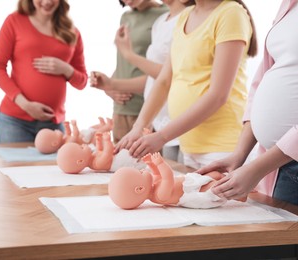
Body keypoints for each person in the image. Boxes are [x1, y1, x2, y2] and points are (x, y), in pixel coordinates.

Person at [196, 0, 298, 259]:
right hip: (279, 167)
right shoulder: (289, 4)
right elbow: (261, 80)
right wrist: (241, 155)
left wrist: (257, 168)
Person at [112, 0, 258, 169]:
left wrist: (162, 136)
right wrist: (139, 127)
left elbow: (218, 96)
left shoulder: (231, 13)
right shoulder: (184, 17)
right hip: (189, 147)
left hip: (223, 148)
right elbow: (164, 81)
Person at [90, 0, 194, 163]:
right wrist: (110, 84)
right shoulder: (160, 22)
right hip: (158, 117)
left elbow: (168, 76)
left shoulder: (188, 17)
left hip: (177, 118)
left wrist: (128, 57)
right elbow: (160, 79)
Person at [0, 0, 88, 144]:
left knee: (53, 167)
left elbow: (82, 82)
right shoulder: (15, 21)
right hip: (15, 122)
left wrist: (66, 69)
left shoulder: (72, 32)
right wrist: (26, 105)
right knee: (14, 167)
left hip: (54, 124)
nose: (47, 2)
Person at [101, 0, 169, 144]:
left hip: (146, 106)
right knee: (116, 162)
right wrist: (110, 88)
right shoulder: (125, 17)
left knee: (150, 163)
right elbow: (123, 59)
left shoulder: (166, 15)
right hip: (121, 108)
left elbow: (164, 70)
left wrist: (114, 84)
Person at [108, 152, 245, 210]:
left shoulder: (153, 185)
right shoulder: (159, 196)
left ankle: (233, 183)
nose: (143, 171)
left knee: (215, 174)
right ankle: (242, 195)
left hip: (190, 183)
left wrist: (152, 164)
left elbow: (157, 174)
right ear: (140, 189)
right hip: (193, 193)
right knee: (217, 187)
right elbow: (167, 177)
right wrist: (160, 163)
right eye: (140, 173)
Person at [57, 131, 146, 174]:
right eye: (81, 148)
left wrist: (98, 140)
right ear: (80, 161)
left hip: (119, 156)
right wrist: (107, 141)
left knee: (132, 148)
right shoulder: (96, 165)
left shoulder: (93, 157)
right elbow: (107, 154)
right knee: (135, 154)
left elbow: (100, 150)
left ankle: (145, 138)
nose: (83, 145)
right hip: (122, 162)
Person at [34, 117, 113, 154]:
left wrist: (67, 126)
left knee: (91, 128)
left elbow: (68, 133)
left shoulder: (64, 138)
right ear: (55, 143)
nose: (56, 130)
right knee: (97, 133)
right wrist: (74, 125)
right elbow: (75, 135)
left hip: (85, 136)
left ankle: (102, 125)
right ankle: (108, 127)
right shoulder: (67, 144)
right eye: (54, 133)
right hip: (88, 141)